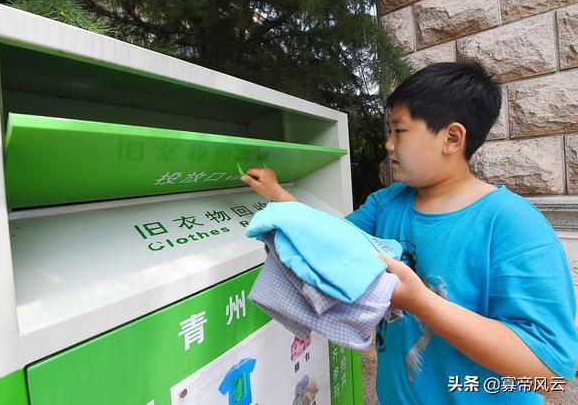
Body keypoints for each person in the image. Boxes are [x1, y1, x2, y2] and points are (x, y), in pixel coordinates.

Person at [240, 62, 578, 403]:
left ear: (452, 138)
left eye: (399, 131)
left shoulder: (512, 224)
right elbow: (330, 240)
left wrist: (421, 303)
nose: (388, 144)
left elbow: (550, 371)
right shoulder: (386, 204)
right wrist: (279, 194)